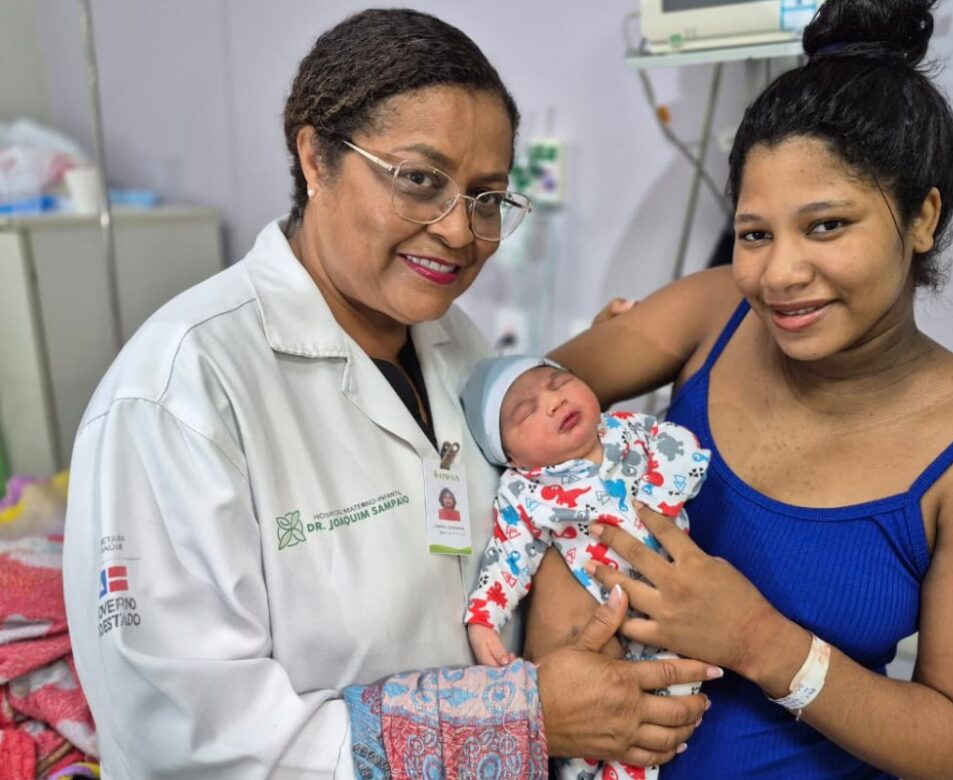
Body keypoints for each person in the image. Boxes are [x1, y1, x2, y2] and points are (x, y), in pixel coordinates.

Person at [60, 9, 714, 779]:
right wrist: (524, 718)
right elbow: (191, 741)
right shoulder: (180, 395)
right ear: (314, 156)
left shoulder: (458, 348)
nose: (458, 231)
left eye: (485, 197)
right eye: (420, 180)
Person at [528, 1, 953, 777]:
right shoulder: (712, 313)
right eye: (755, 233)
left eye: (826, 227)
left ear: (923, 217)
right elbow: (509, 411)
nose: (778, 275)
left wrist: (757, 639)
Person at [459, 356, 710, 780]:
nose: (554, 401)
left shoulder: (629, 428)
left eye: (560, 382)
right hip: (600, 628)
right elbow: (507, 556)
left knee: (661, 710)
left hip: (671, 613)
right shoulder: (524, 490)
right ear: (510, 455)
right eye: (527, 411)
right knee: (584, 733)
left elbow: (683, 446)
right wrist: (483, 618)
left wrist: (660, 498)